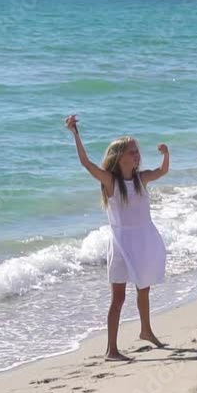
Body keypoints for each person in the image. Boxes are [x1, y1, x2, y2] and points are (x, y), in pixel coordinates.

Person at [65, 114, 169, 361]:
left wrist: (166, 153)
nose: (136, 155)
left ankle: (146, 330)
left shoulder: (141, 179)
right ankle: (111, 349)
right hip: (122, 244)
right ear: (119, 157)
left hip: (143, 239)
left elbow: (163, 170)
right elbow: (86, 163)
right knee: (118, 298)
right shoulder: (110, 181)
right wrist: (75, 133)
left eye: (137, 151)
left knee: (144, 288)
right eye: (132, 152)